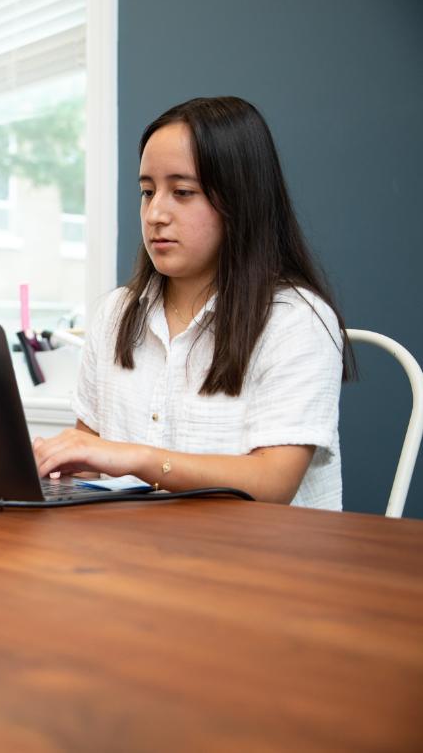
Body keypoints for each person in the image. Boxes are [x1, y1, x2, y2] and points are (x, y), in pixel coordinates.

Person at [32, 97, 351, 510]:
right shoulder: (116, 313)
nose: (155, 214)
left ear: (241, 201)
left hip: (262, 563)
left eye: (182, 192)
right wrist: (49, 463)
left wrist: (138, 458)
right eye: (148, 191)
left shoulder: (296, 321)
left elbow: (273, 483)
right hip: (136, 554)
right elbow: (89, 459)